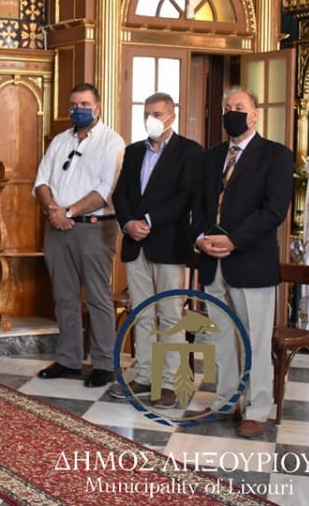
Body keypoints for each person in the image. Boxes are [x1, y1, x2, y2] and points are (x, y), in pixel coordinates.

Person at [192, 86, 293, 438]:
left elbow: (274, 211)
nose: (232, 112)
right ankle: (226, 401)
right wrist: (200, 238)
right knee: (221, 338)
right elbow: (200, 204)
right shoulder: (212, 155)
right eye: (227, 107)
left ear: (254, 114)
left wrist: (234, 240)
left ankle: (257, 407)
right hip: (212, 261)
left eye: (239, 107)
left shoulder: (276, 156)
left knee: (254, 339)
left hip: (251, 262)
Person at [109, 92, 203, 408]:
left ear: (172, 116)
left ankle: (170, 383)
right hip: (136, 244)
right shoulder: (134, 151)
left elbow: (187, 196)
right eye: (148, 113)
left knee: (170, 315)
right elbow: (120, 193)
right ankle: (144, 376)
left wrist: (148, 219)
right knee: (142, 315)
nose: (152, 118)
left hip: (169, 245)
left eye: (158, 113)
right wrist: (128, 223)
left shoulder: (189, 152)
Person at [33, 83, 126, 388]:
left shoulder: (112, 142)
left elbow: (104, 189)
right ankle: (69, 360)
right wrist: (52, 210)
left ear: (97, 108)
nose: (79, 109)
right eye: (74, 105)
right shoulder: (60, 140)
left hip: (94, 228)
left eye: (85, 104)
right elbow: (42, 180)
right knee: (64, 297)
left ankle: (103, 363)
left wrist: (68, 212)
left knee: (98, 297)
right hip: (57, 226)